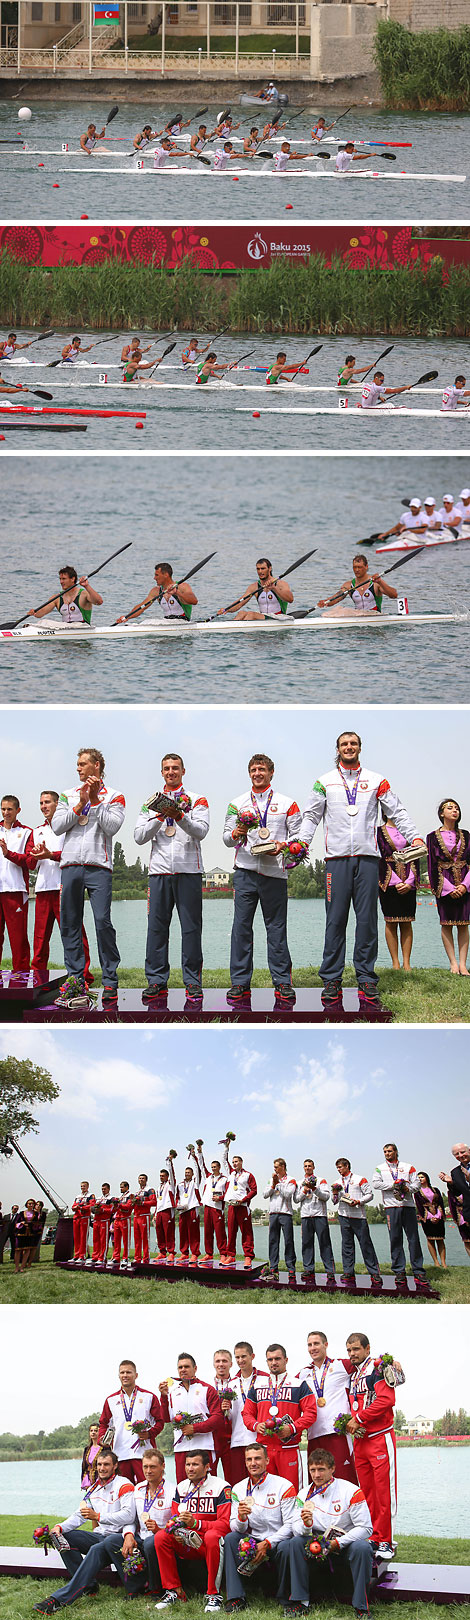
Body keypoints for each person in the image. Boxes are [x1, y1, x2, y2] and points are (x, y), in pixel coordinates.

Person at [300, 730, 422, 1018]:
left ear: (360, 748)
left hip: (368, 859)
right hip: (337, 860)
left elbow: (398, 811)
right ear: (338, 749)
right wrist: (302, 843)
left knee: (367, 921)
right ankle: (331, 978)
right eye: (344, 744)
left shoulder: (377, 781)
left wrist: (415, 837)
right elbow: (311, 816)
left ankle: (366, 977)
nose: (349, 747)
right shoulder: (324, 782)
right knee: (335, 920)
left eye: (353, 743)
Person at [223, 752, 303, 1008]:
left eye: (262, 769)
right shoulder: (237, 803)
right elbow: (226, 839)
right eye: (254, 770)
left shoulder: (287, 803)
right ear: (249, 774)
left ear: (271, 773)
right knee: (241, 929)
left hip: (274, 873)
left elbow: (300, 837)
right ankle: (239, 983)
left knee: (276, 929)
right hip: (245, 871)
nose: (258, 773)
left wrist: (284, 846)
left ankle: (282, 982)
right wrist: (237, 832)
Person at [134, 751, 209, 1009]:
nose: (170, 772)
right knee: (156, 930)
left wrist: (179, 816)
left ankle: (192, 982)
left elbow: (201, 831)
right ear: (161, 772)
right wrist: (159, 816)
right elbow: (138, 837)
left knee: (191, 930)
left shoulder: (197, 800)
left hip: (189, 871)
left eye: (175, 768)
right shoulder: (150, 802)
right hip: (159, 873)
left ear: (183, 771)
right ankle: (156, 981)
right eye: (166, 768)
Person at [52, 746, 125, 1009]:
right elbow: (57, 826)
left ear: (97, 765)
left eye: (83, 764)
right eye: (78, 764)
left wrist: (95, 801)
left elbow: (112, 827)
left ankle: (110, 980)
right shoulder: (67, 794)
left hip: (99, 866)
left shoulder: (115, 796)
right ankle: (76, 980)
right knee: (70, 924)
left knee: (103, 922)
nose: (78, 768)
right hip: (70, 865)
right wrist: (81, 803)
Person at [32, 1445, 134, 1615]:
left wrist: (98, 1516)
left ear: (115, 1466)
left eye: (106, 1464)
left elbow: (129, 1516)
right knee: (62, 1536)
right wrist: (59, 1527)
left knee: (96, 1548)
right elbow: (80, 1515)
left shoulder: (124, 1485)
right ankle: (89, 1585)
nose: (102, 1468)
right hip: (100, 1537)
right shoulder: (93, 1488)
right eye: (99, 1464)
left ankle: (59, 1599)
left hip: (118, 1540)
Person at [287, 1447, 373, 1618]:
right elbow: (296, 1529)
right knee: (295, 1543)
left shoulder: (351, 1490)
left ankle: (361, 1606)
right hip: (316, 1544)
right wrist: (306, 1524)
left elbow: (366, 1528)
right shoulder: (303, 1494)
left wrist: (339, 1543)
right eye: (313, 1470)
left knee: (363, 1548)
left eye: (321, 1469)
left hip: (345, 1544)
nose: (317, 1475)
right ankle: (300, 1602)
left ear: (332, 1469)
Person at [154, 1448, 231, 1613]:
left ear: (207, 1467)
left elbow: (225, 1524)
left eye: (195, 1464)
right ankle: (174, 1590)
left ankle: (213, 1595)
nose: (190, 1468)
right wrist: (177, 1532)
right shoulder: (181, 1487)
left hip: (209, 1542)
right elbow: (175, 1519)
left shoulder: (221, 1486)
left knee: (212, 1537)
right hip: (187, 1540)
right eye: (187, 1464)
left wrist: (197, 1524)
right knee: (161, 1536)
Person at [224, 1441, 295, 1611]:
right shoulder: (239, 1488)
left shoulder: (283, 1485)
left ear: (267, 1461)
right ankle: (236, 1598)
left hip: (279, 1539)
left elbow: (291, 1525)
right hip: (254, 1539)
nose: (253, 1463)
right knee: (231, 1538)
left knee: (288, 1546)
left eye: (257, 1458)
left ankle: (285, 1597)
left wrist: (269, 1542)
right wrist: (241, 1517)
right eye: (249, 1459)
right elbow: (237, 1528)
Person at [29, 790, 91, 982]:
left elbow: (73, 855)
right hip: (43, 889)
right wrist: (35, 854)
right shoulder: (36, 831)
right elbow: (30, 863)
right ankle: (38, 978)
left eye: (47, 802)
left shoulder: (68, 827)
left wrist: (51, 855)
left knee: (74, 934)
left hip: (65, 888)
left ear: (57, 804)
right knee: (40, 939)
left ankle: (84, 976)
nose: (44, 806)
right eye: (41, 803)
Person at [344, 1333, 397, 1559]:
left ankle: (387, 1540)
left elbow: (387, 1400)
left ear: (367, 1349)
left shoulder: (377, 1368)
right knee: (368, 1493)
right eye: (349, 1350)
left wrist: (360, 1418)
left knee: (384, 1492)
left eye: (356, 1349)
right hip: (361, 1440)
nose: (352, 1354)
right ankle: (375, 1536)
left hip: (379, 1437)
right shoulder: (354, 1374)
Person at [244, 1342, 316, 1488]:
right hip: (263, 1451)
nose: (274, 1363)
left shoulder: (298, 1384)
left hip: (289, 1448)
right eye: (270, 1360)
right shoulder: (257, 1386)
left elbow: (311, 1413)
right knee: (264, 1492)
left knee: (293, 1491)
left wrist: (292, 1428)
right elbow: (247, 1414)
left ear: (286, 1360)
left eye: (277, 1359)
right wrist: (256, 1425)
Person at [112, 1446, 173, 1598]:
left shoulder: (173, 1490)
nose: (148, 1471)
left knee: (151, 1543)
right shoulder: (138, 1489)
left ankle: (156, 1588)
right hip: (140, 1537)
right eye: (145, 1466)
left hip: (161, 1539)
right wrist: (128, 1535)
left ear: (163, 1466)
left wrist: (160, 1529)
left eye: (153, 1466)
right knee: (111, 1542)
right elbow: (131, 1519)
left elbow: (175, 1524)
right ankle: (135, 1586)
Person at [296, 1331, 357, 1483]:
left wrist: (385, 1362)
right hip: (314, 1434)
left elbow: (364, 1363)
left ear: (326, 1345)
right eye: (309, 1345)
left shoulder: (340, 1365)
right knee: (317, 1480)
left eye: (316, 1343)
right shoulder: (303, 1374)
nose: (313, 1348)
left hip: (338, 1434)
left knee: (345, 1479)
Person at [158, 1352, 222, 1483]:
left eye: (186, 1366)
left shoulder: (207, 1389)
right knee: (183, 1487)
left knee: (208, 1486)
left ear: (195, 1368)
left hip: (204, 1446)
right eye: (180, 1367)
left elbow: (218, 1418)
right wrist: (163, 1396)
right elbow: (165, 1418)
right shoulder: (173, 1391)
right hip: (181, 1447)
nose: (183, 1370)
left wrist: (195, 1428)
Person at [98, 1359, 163, 1485]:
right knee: (124, 1490)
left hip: (144, 1454)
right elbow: (103, 1424)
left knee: (147, 1488)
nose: (125, 1375)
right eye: (122, 1373)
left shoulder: (148, 1396)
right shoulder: (111, 1400)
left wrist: (150, 1433)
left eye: (129, 1372)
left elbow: (160, 1422)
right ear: (118, 1376)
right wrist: (103, 1438)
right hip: (120, 1453)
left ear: (136, 1375)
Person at [372, 1142, 427, 1291]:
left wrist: (406, 1188)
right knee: (395, 1239)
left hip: (408, 1206)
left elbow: (417, 1184)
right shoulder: (380, 1168)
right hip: (391, 1207)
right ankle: (399, 1271)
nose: (387, 1154)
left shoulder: (409, 1167)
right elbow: (376, 1184)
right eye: (385, 1152)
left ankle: (418, 1270)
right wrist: (394, 1186)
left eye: (389, 1151)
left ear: (396, 1151)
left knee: (413, 1239)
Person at [426, 798, 470, 974]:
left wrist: (465, 885)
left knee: (464, 924)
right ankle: (452, 963)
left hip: (465, 882)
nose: (454, 810)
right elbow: (432, 865)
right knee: (447, 923)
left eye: (457, 808)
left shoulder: (467, 835)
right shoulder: (432, 837)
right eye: (450, 808)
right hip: (444, 883)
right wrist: (448, 887)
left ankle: (463, 964)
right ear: (441, 814)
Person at [377, 814, 420, 971]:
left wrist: (409, 881)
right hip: (388, 881)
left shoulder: (409, 831)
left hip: (408, 877)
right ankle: (395, 962)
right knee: (391, 921)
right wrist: (395, 881)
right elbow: (379, 858)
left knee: (406, 921)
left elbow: (416, 856)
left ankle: (407, 963)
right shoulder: (378, 832)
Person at [331, 1159, 382, 1289]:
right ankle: (348, 1272)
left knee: (366, 1245)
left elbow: (370, 1195)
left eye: (340, 1167)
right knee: (347, 1246)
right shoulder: (337, 1183)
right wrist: (335, 1194)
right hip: (343, 1216)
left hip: (358, 1216)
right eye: (337, 1168)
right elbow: (334, 1201)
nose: (339, 1170)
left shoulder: (360, 1179)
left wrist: (359, 1201)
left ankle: (374, 1272)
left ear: (347, 1166)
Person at [0, 792, 31, 971]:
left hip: (15, 890)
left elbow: (28, 861)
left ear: (18, 810)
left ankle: (21, 976)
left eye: (9, 809)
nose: (6, 813)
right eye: (3, 809)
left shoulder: (26, 832)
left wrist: (8, 854)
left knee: (18, 938)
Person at [293, 1159, 336, 1287]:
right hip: (306, 1216)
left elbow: (326, 1196)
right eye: (305, 1166)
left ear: (314, 1167)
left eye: (309, 1166)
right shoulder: (299, 1182)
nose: (307, 1168)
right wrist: (305, 1190)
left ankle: (330, 1271)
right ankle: (308, 1269)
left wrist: (315, 1189)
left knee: (325, 1243)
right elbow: (296, 1199)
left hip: (319, 1215)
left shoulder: (321, 1180)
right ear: (303, 1168)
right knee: (306, 1244)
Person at [225, 1341, 263, 1486]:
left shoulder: (265, 1379)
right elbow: (229, 1417)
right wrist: (225, 1410)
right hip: (238, 1440)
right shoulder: (231, 1384)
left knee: (260, 1482)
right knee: (239, 1484)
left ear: (252, 1356)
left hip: (258, 1439)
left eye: (243, 1356)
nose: (240, 1360)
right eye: (237, 1357)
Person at [115, 562, 198, 625]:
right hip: (166, 622)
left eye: (157, 575)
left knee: (151, 622)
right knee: (147, 622)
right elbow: (142, 607)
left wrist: (177, 593)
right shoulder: (156, 591)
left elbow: (194, 601)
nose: (154, 578)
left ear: (166, 575)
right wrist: (127, 617)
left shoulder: (182, 587)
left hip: (183, 622)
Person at [317, 553, 398, 616]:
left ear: (366, 567)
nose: (357, 570)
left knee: (341, 611)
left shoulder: (375, 583)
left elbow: (394, 595)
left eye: (359, 567)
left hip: (374, 615)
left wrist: (380, 582)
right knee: (334, 610)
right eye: (354, 567)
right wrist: (325, 602)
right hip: (358, 616)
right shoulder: (349, 585)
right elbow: (337, 597)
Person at [26, 564, 103, 627]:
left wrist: (86, 586)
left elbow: (99, 601)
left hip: (82, 627)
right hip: (65, 628)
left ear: (72, 579)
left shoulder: (83, 594)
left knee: (45, 622)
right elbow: (41, 613)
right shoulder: (57, 598)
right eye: (60, 579)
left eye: (64, 579)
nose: (61, 582)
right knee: (42, 622)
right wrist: (34, 612)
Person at [221, 1139, 257, 1269]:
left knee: (246, 1232)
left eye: (237, 1161)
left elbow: (254, 1190)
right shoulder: (231, 1173)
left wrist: (244, 1200)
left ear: (241, 1162)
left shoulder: (248, 1175)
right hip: (231, 1207)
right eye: (233, 1162)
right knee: (231, 1232)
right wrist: (226, 1147)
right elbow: (224, 1160)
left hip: (242, 1207)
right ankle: (231, 1256)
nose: (234, 1163)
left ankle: (248, 1256)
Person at [262, 1159, 297, 1285]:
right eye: (274, 1167)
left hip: (286, 1214)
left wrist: (279, 1184)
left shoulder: (291, 1180)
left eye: (277, 1167)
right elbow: (265, 1194)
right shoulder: (271, 1179)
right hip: (273, 1214)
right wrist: (273, 1185)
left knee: (288, 1241)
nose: (275, 1169)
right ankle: (273, 1267)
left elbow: (288, 1194)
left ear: (283, 1167)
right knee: (273, 1241)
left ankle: (291, 1268)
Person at [192, 1145, 228, 1265]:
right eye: (212, 1167)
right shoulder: (208, 1177)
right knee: (207, 1232)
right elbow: (201, 1166)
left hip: (217, 1208)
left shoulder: (224, 1179)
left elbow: (228, 1194)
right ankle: (208, 1253)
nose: (213, 1169)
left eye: (215, 1167)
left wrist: (221, 1198)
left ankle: (223, 1254)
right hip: (207, 1206)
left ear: (219, 1167)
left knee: (220, 1232)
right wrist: (200, 1153)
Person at [228, 556, 294, 620]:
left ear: (270, 568)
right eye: (258, 569)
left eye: (263, 568)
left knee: (251, 615)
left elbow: (290, 599)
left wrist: (274, 588)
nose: (260, 571)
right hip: (263, 617)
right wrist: (226, 610)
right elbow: (240, 603)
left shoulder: (281, 584)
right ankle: (230, 627)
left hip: (278, 618)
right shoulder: (254, 586)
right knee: (241, 613)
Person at [167, 1153, 202, 1264]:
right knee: (183, 1233)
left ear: (192, 1174)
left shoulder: (195, 1182)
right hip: (182, 1211)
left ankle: (195, 1254)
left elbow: (198, 1170)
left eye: (189, 1173)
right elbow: (177, 1197)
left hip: (192, 1209)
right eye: (186, 1172)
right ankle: (184, 1253)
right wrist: (178, 1205)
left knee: (194, 1233)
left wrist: (194, 1156)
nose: (187, 1174)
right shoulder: (180, 1185)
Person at [439, 1144, 470, 1258]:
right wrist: (451, 1182)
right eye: (457, 1154)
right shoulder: (455, 1172)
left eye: (462, 1152)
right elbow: (457, 1192)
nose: (460, 1155)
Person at [414, 1173, 447, 1268]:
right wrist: (429, 1217)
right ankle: (436, 1262)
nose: (420, 1179)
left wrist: (438, 1215)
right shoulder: (417, 1192)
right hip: (426, 1217)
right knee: (430, 1239)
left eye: (422, 1177)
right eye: (418, 1178)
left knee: (440, 1239)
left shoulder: (435, 1190)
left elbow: (440, 1202)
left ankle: (443, 1262)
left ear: (427, 1178)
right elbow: (419, 1206)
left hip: (438, 1215)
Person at [154, 1158, 177, 1263]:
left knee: (169, 1232)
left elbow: (172, 1174)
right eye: (160, 1176)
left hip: (168, 1210)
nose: (161, 1177)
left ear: (167, 1177)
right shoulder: (159, 1187)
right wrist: (155, 1213)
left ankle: (171, 1252)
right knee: (160, 1232)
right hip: (159, 1211)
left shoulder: (170, 1184)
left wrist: (170, 1163)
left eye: (163, 1176)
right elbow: (158, 1201)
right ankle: (162, 1252)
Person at [89, 1184, 116, 1268]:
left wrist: (103, 1210)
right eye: (102, 1189)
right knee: (95, 1240)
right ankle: (95, 1257)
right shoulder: (99, 1199)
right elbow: (93, 1208)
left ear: (108, 1189)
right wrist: (93, 1210)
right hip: (96, 1221)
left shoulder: (111, 1198)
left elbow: (113, 1209)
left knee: (103, 1240)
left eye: (104, 1189)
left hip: (105, 1221)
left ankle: (102, 1257)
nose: (103, 1190)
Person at [133, 1173, 157, 1266]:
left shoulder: (150, 1190)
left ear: (146, 1180)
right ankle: (137, 1258)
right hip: (136, 1216)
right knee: (137, 1239)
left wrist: (142, 1203)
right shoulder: (137, 1192)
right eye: (139, 1178)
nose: (141, 1180)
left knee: (145, 1238)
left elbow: (154, 1202)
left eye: (143, 1178)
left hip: (144, 1216)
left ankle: (146, 1258)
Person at [110, 1182, 135, 1271]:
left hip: (125, 1219)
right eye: (120, 1187)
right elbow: (114, 1209)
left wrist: (119, 1205)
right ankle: (116, 1257)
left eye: (122, 1187)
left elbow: (129, 1207)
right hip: (117, 1219)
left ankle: (125, 1258)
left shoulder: (130, 1196)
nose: (120, 1189)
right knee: (116, 1240)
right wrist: (115, 1205)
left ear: (127, 1187)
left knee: (125, 1240)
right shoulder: (120, 1197)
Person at [13, 1198, 40, 1273]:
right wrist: (21, 1223)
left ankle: (22, 1267)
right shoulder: (21, 1213)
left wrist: (33, 1226)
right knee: (18, 1250)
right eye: (29, 1203)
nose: (31, 1205)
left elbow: (37, 1224)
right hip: (21, 1233)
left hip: (30, 1233)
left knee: (27, 1250)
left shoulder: (36, 1214)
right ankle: (16, 1267)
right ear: (26, 1205)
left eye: (32, 1204)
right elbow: (16, 1223)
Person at [72, 1180, 95, 1264]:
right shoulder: (78, 1196)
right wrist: (75, 1208)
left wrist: (81, 1207)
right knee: (76, 1238)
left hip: (85, 1217)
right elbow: (73, 1205)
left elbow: (91, 1206)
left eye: (84, 1186)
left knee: (83, 1237)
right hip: (76, 1218)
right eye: (81, 1186)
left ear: (88, 1187)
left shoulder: (90, 1196)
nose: (82, 1188)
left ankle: (82, 1256)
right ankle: (76, 1255)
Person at [81, 1423, 101, 1489]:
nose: (93, 1432)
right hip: (88, 1480)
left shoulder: (104, 1448)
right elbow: (84, 1466)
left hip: (100, 1479)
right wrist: (83, 1479)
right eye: (91, 1431)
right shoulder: (87, 1449)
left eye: (95, 1431)